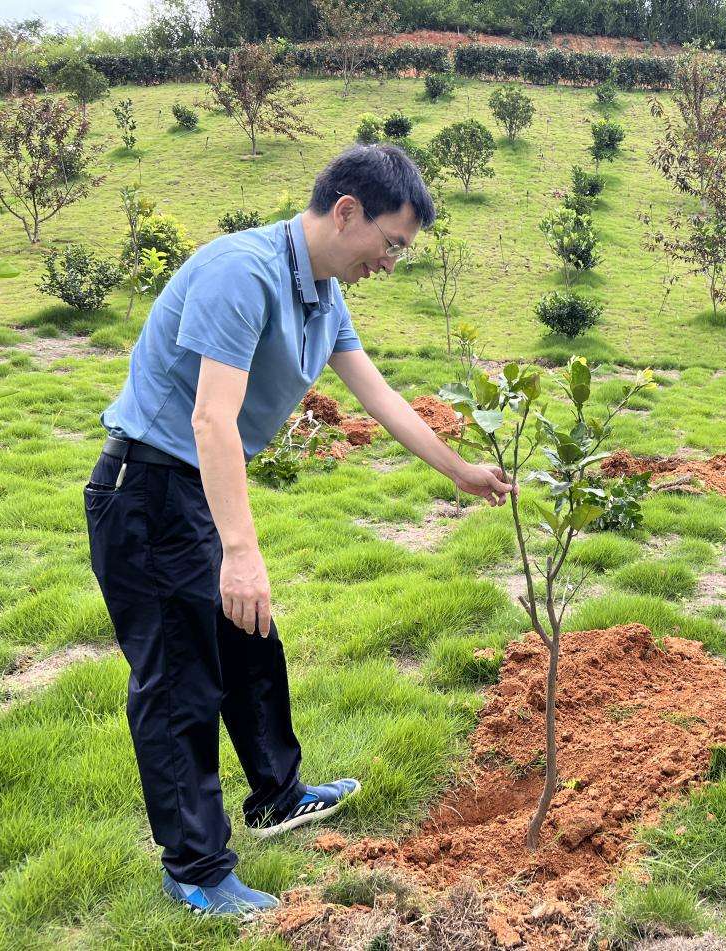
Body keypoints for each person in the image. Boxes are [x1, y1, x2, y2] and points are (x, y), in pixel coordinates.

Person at [84, 144, 512, 916]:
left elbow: (375, 391)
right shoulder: (240, 273)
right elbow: (210, 418)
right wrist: (240, 551)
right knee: (181, 678)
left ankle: (278, 796)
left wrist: (457, 469)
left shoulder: (319, 290)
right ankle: (196, 868)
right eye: (391, 243)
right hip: (147, 490)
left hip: (194, 489)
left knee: (250, 642)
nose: (391, 261)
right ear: (346, 211)